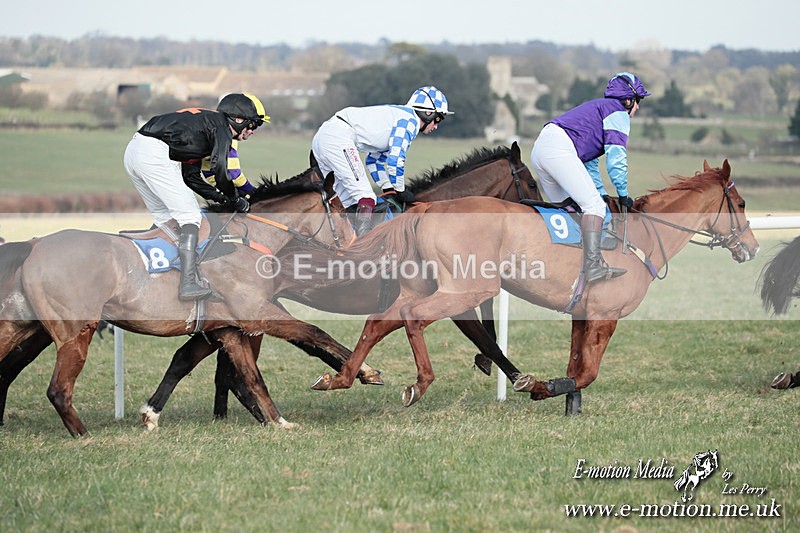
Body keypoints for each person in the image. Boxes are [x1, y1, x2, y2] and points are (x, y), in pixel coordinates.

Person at [124, 93, 268, 300]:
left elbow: (191, 177)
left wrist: (224, 199)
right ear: (238, 119)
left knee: (166, 219)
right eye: (253, 125)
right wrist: (235, 199)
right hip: (154, 154)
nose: (252, 131)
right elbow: (221, 169)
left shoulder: (203, 127)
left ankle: (142, 272)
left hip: (135, 151)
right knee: (191, 218)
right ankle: (188, 284)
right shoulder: (221, 129)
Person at [530, 72, 650, 283]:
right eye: (638, 101)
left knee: (568, 210)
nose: (638, 108)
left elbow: (590, 163)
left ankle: (562, 266)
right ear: (628, 100)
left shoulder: (599, 108)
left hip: (541, 150)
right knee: (593, 208)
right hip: (558, 150)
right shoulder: (617, 112)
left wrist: (602, 194)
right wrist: (623, 194)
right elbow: (616, 158)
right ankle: (593, 266)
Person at [311, 86, 453, 236]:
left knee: (347, 201)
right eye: (438, 119)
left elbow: (374, 161)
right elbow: (396, 160)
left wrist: (386, 186)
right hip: (338, 137)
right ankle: (363, 243)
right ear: (428, 113)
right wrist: (400, 190)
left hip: (323, 137)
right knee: (366, 197)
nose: (436, 126)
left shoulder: (399, 116)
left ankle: (341, 239)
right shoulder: (409, 121)